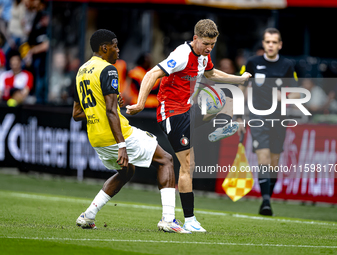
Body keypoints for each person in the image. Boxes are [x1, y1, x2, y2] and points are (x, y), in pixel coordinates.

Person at [126, 19, 251, 232]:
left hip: (188, 108)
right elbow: (152, 73)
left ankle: (216, 129)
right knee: (188, 165)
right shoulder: (181, 55)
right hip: (171, 113)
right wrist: (139, 103)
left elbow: (211, 73)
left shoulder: (204, 55)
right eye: (205, 44)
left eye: (212, 44)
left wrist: (237, 79)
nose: (209, 48)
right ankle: (190, 220)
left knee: (226, 101)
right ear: (195, 39)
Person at [73, 29, 190, 233]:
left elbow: (77, 113)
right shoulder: (108, 70)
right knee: (166, 160)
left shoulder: (82, 70)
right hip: (116, 135)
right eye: (115, 45)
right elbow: (110, 111)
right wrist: (122, 145)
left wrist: (105, 107)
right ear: (104, 48)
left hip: (96, 137)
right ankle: (169, 219)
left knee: (127, 171)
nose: (118, 50)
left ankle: (88, 215)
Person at [237, 28, 300, 216]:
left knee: (274, 162)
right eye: (267, 41)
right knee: (262, 157)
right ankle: (266, 203)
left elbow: (297, 92)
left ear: (280, 44)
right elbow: (241, 87)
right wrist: (239, 116)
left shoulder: (287, 65)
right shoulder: (252, 63)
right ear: (263, 44)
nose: (270, 45)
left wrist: (285, 96)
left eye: (274, 42)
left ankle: (267, 198)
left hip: (280, 119)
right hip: (258, 117)